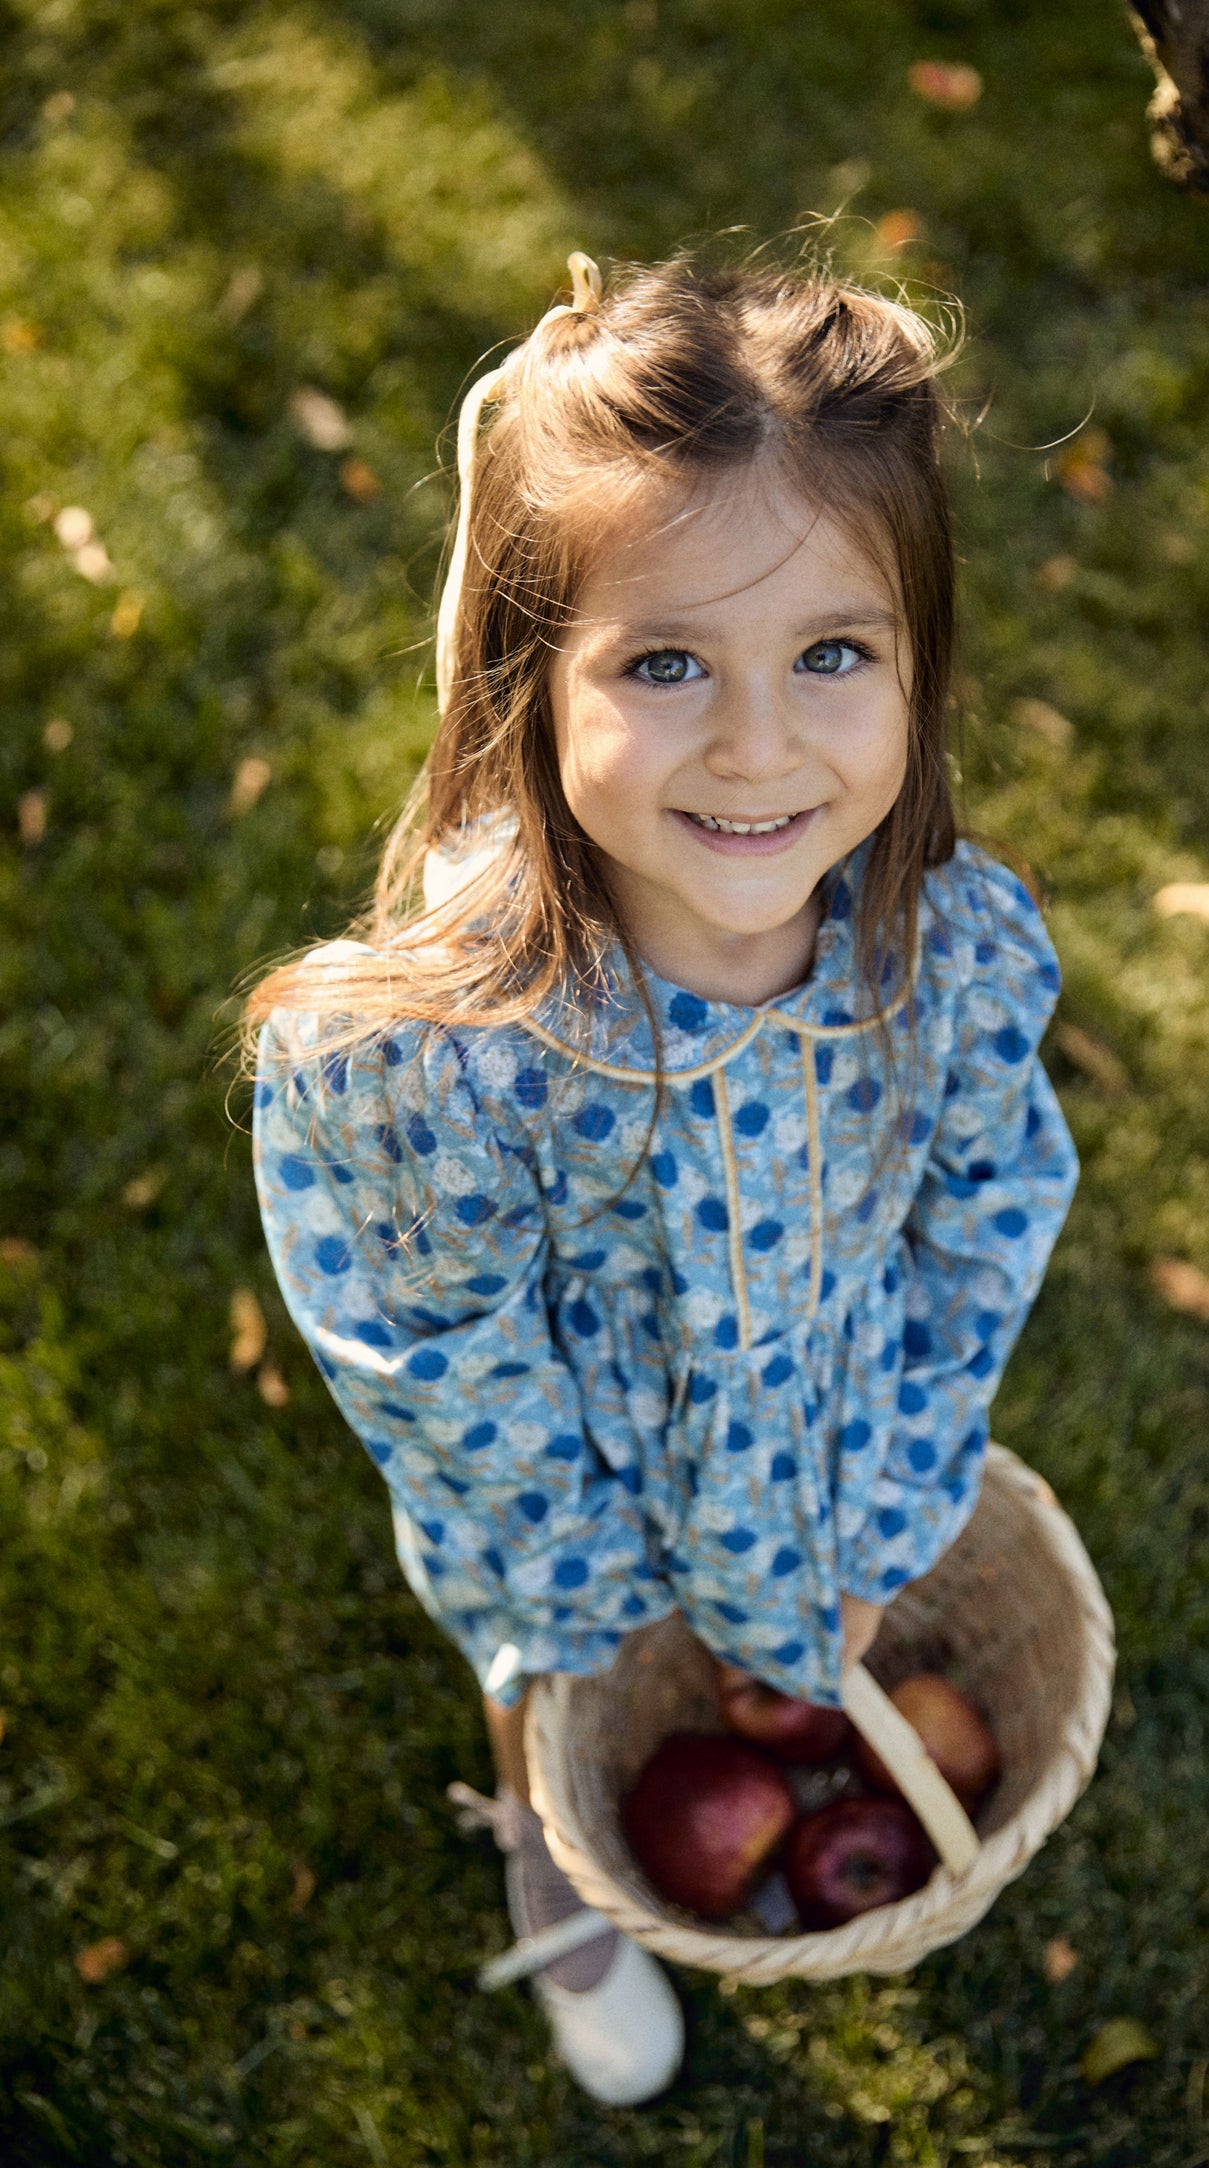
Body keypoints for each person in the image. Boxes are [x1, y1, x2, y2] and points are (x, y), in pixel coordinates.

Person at [248, 249, 1079, 2104]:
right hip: (568, 1482)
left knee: (780, 1640)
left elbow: (991, 1203)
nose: (761, 746)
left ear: (922, 663)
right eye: (667, 663)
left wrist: (883, 1507)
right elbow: (435, 1353)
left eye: (832, 655)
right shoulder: (445, 1056)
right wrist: (605, 1595)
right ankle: (552, 1845)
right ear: (529, 682)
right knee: (547, 1670)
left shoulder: (946, 954)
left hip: (839, 1409)